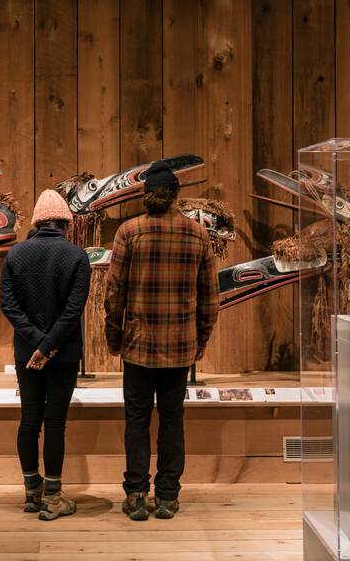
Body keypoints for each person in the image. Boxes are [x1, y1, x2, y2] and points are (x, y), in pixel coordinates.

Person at [104, 161, 219, 521]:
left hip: (137, 347)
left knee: (136, 419)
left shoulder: (129, 231)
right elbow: (211, 298)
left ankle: (137, 494)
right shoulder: (197, 234)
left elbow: (113, 294)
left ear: (145, 195)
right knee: (173, 419)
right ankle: (167, 497)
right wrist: (200, 341)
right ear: (175, 196)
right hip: (180, 347)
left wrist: (114, 337)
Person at [0, 189, 90, 521]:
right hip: (62, 354)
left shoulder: (15, 255)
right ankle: (52, 497)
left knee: (29, 420)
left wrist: (36, 345)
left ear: (37, 221)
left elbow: (9, 306)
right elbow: (72, 312)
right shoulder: (77, 257)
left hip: (27, 353)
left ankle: (30, 492)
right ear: (66, 222)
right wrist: (49, 346)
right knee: (55, 423)